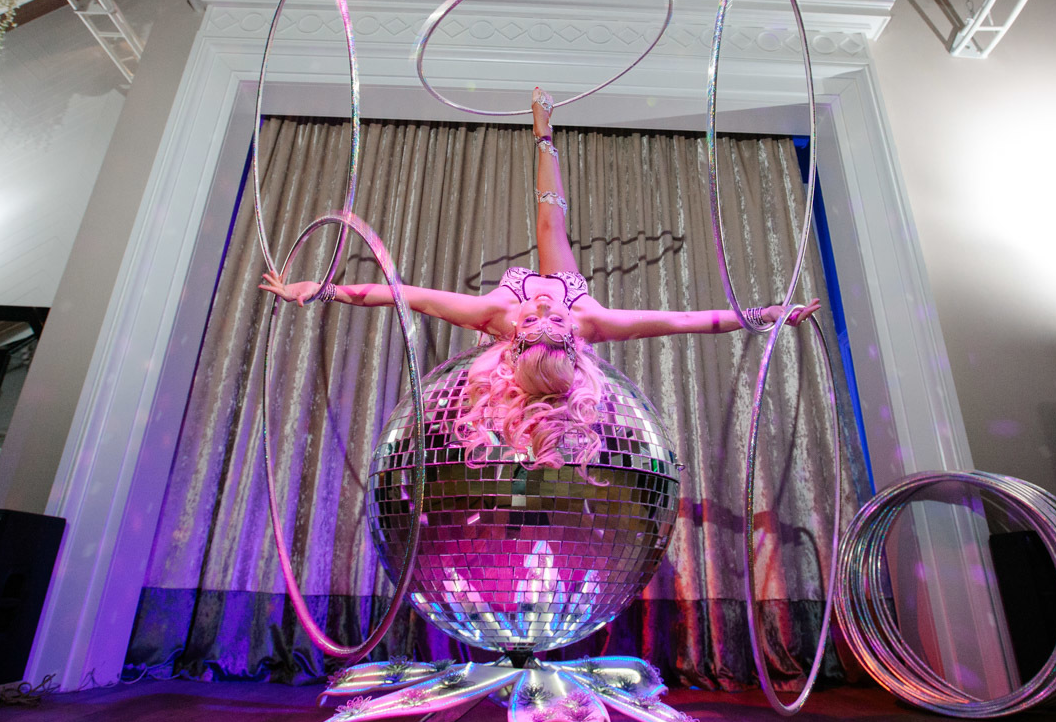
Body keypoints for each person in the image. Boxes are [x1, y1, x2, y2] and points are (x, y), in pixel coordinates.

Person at [260, 88, 819, 474]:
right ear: (573, 336)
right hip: (575, 291)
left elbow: (399, 295)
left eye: (537, 317)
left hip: (516, 319)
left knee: (548, 221)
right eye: (554, 317)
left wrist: (321, 290)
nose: (547, 304)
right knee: (551, 220)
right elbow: (688, 321)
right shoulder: (587, 317)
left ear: (513, 337)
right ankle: (545, 133)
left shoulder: (497, 314)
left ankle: (542, 131)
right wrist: (765, 315)